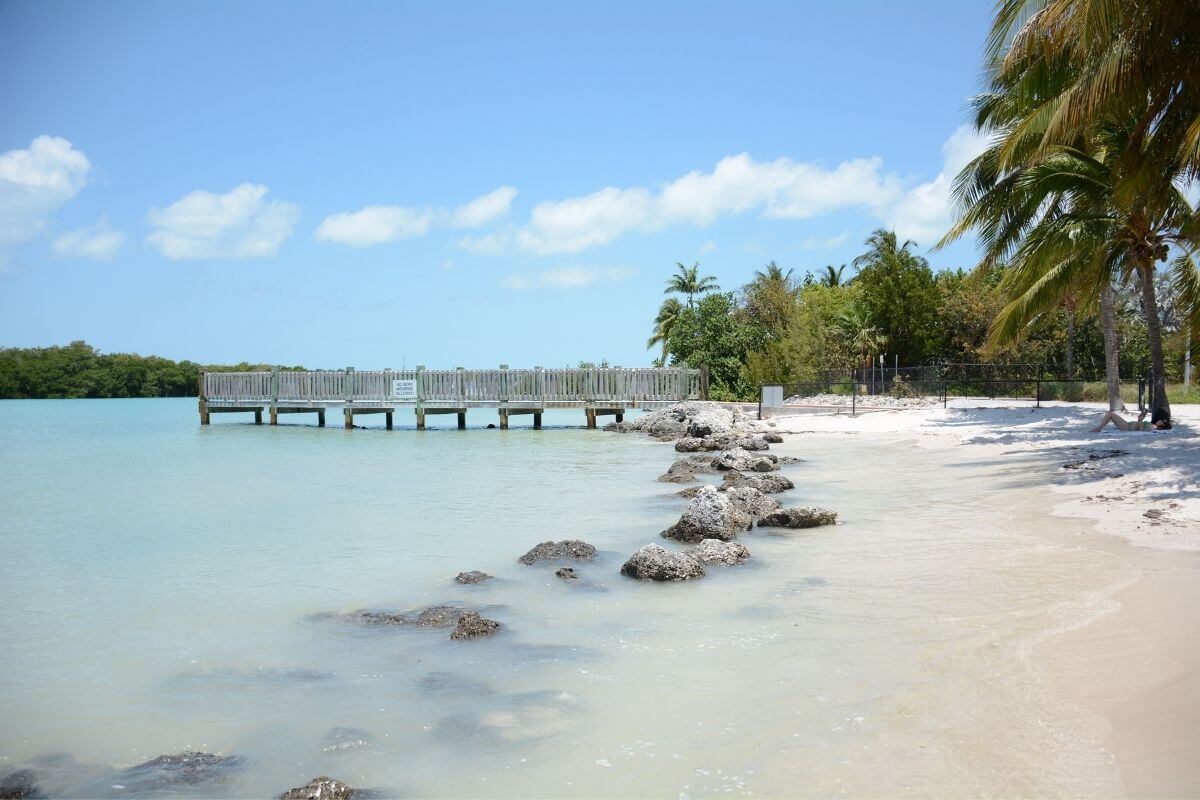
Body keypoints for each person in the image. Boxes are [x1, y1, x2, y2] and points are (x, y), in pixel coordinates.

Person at [1091, 408, 1171, 432]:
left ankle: (1098, 428)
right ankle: (1099, 428)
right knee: (1110, 413)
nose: (1160, 420)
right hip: (1127, 425)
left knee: (1110, 413)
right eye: (1161, 419)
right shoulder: (1152, 426)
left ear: (1162, 426)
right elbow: (1140, 425)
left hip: (1126, 427)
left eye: (1162, 421)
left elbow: (1140, 429)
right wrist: (1141, 418)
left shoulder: (1153, 428)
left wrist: (1140, 422)